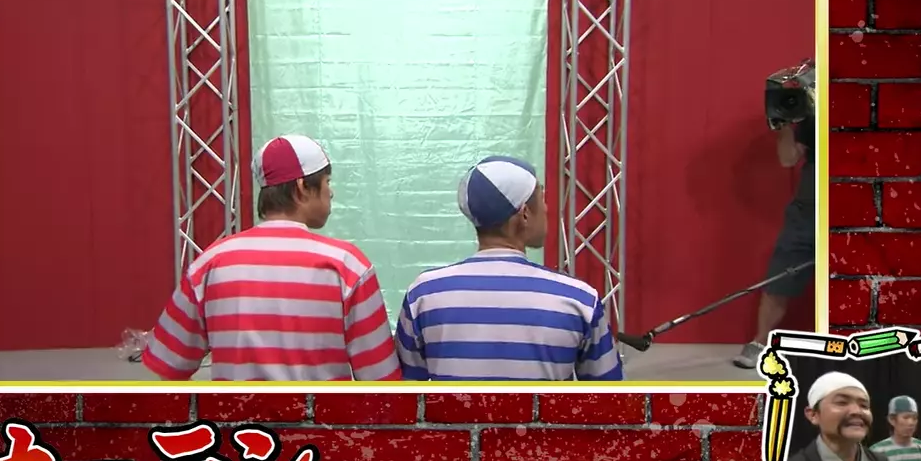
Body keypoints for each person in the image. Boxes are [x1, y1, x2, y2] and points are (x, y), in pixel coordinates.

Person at [142, 135, 401, 382]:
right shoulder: (348, 267)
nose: (330, 192)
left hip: (237, 416)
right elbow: (381, 382)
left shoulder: (210, 264)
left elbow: (169, 366)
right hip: (320, 417)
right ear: (302, 188)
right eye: (327, 182)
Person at [394, 155, 623, 381]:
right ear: (524, 214)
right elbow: (611, 396)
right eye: (541, 198)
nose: (546, 208)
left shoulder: (423, 295)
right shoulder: (578, 300)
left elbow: (406, 393)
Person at [734, 63, 817, 369]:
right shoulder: (810, 117)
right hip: (805, 213)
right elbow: (787, 159)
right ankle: (759, 342)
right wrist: (782, 125)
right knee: (780, 278)